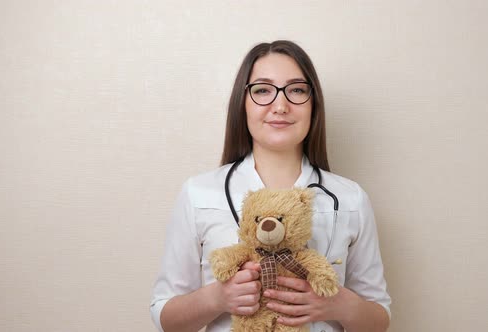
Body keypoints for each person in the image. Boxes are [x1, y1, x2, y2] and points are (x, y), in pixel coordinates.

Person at [150, 40, 391, 332]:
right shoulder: (198, 193)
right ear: (243, 104)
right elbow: (166, 318)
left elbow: (379, 319)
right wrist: (217, 298)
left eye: (297, 90)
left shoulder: (351, 199)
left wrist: (339, 304)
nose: (280, 105)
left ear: (314, 105)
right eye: (263, 90)